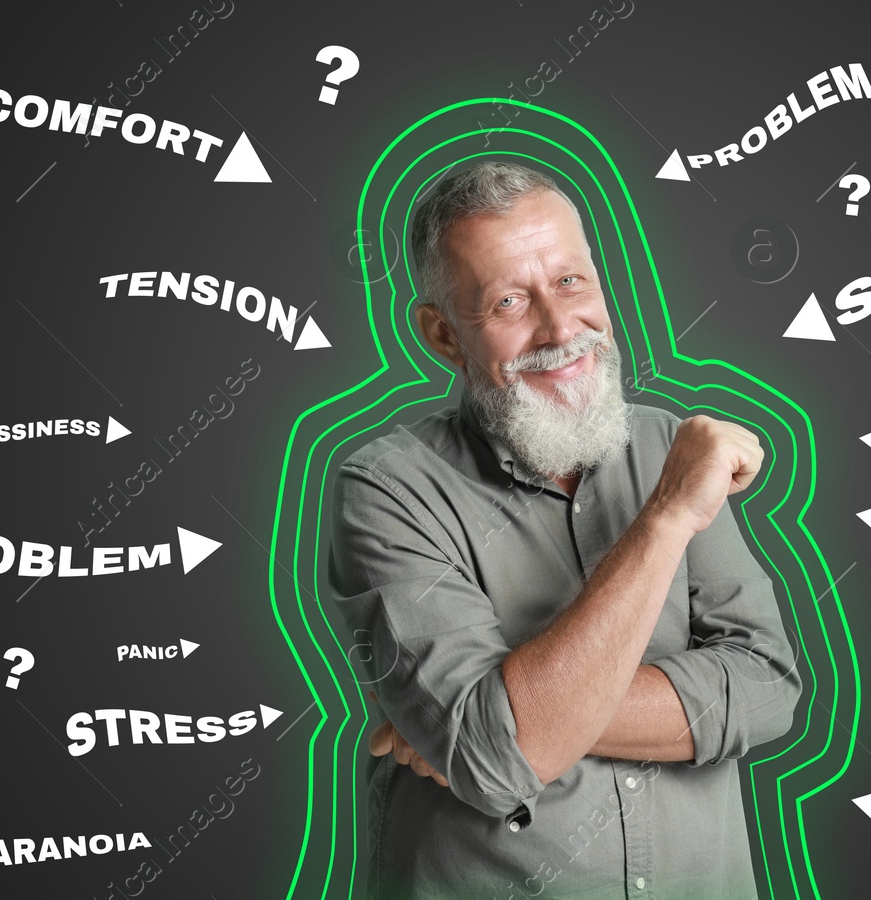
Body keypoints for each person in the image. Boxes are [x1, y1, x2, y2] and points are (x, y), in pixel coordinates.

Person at [329, 161, 801, 899]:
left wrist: (491, 725)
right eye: (509, 300)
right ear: (444, 335)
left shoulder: (668, 445)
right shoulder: (388, 488)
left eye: (572, 282)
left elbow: (769, 686)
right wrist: (668, 516)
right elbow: (497, 757)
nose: (559, 328)